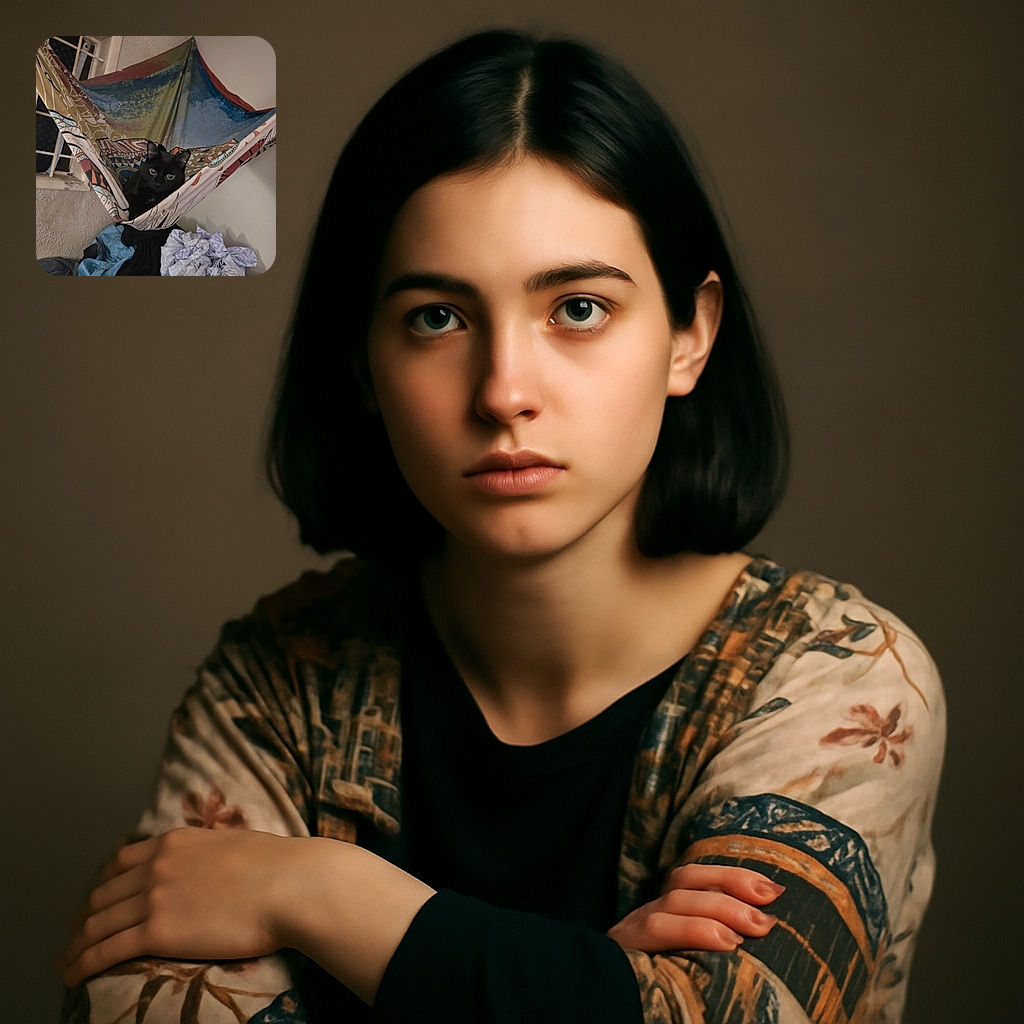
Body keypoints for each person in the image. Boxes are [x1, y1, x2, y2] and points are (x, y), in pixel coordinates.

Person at [59, 29, 944, 1024]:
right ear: (363, 362)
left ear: (688, 336)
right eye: (437, 318)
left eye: (577, 307)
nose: (504, 392)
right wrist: (580, 985)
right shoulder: (275, 683)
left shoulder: (840, 677)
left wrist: (315, 892)